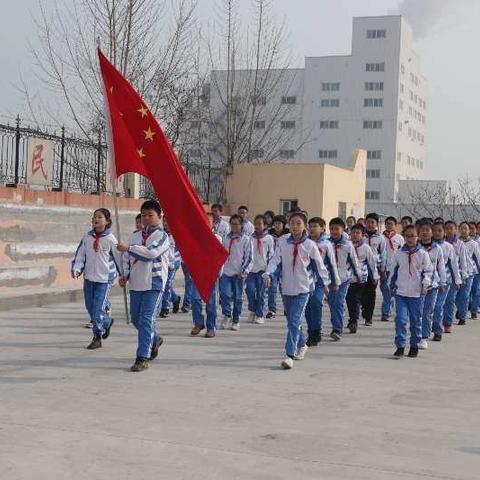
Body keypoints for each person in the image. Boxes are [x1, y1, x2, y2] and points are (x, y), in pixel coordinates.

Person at [263, 212, 330, 369]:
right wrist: (268, 274)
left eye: (298, 223)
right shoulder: (282, 242)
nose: (295, 226)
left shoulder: (310, 245)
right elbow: (275, 260)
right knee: (292, 322)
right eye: (292, 223)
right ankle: (302, 344)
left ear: (304, 226)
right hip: (286, 288)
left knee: (294, 322)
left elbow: (320, 267)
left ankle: (289, 355)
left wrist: (325, 284)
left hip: (303, 289)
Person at [117, 200, 170, 372]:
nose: (146, 218)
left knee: (147, 320)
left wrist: (129, 248)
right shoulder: (135, 236)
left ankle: (142, 357)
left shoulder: (162, 236)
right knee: (136, 319)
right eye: (144, 215)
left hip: (154, 283)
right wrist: (124, 274)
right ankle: (155, 339)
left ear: (159, 216)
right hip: (137, 283)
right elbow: (126, 258)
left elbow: (151, 253)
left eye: (150, 215)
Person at [71, 208, 119, 349]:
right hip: (89, 278)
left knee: (97, 310)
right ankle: (107, 322)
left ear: (107, 221)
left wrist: (124, 274)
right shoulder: (87, 237)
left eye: (99, 217)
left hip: (104, 280)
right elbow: (80, 255)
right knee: (90, 307)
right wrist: (77, 268)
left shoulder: (110, 239)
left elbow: (118, 258)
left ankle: (97, 337)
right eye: (94, 217)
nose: (96, 219)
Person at [390, 225, 433, 358]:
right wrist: (391, 286)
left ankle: (414, 345)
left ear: (418, 237)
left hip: (416, 293)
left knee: (415, 321)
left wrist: (425, 284)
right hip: (401, 293)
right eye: (407, 236)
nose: (410, 239)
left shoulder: (422, 254)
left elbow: (428, 271)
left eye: (412, 236)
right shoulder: (398, 253)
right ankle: (400, 346)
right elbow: (392, 272)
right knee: (401, 320)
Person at [305, 217, 340, 345]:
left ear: (322, 228)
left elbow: (332, 264)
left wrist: (336, 281)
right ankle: (311, 330)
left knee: (316, 303)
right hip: (306, 279)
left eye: (315, 226)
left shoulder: (326, 244)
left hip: (320, 279)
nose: (312, 228)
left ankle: (316, 331)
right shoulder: (305, 242)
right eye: (311, 226)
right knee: (307, 306)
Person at [328, 217, 362, 340]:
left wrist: (358, 275)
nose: (334, 231)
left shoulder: (347, 244)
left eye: (337, 229)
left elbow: (354, 261)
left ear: (343, 230)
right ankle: (336, 323)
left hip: (344, 278)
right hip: (330, 279)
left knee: (338, 302)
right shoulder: (327, 243)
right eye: (331, 229)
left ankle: (337, 329)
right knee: (332, 303)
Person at [190, 213, 223, 338]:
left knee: (211, 303)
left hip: (211, 275)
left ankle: (211, 327)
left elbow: (220, 258)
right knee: (195, 299)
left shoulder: (217, 238)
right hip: (198, 274)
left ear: (214, 223)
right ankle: (198, 323)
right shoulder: (196, 238)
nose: (205, 223)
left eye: (208, 221)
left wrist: (218, 272)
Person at [219, 214, 253, 330]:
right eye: (232, 223)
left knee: (238, 298)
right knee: (224, 294)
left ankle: (236, 320)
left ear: (241, 225)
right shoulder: (225, 238)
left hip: (239, 273)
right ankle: (227, 314)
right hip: (226, 272)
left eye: (236, 224)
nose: (234, 226)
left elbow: (249, 257)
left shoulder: (246, 239)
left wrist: (243, 270)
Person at [418, 221, 446, 349]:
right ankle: (416, 334)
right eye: (422, 230)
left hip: (433, 286)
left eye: (427, 230)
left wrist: (442, 282)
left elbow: (441, 267)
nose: (425, 232)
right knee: (417, 312)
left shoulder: (437, 249)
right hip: (416, 286)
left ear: (432, 232)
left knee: (428, 311)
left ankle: (424, 337)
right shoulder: (415, 248)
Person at [346, 224, 378, 333]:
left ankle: (354, 321)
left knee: (357, 300)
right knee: (350, 301)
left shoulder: (366, 248)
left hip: (362, 278)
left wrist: (375, 276)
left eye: (357, 233)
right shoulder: (346, 246)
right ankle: (353, 319)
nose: (355, 235)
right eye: (353, 232)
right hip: (348, 278)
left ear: (362, 235)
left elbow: (372, 263)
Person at [432, 221, 462, 339]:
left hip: (445, 280)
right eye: (435, 230)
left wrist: (457, 280)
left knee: (440, 305)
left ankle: (440, 329)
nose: (437, 233)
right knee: (431, 306)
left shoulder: (448, 247)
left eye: (440, 230)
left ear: (443, 232)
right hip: (429, 280)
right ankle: (432, 324)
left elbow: (454, 264)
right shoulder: (427, 246)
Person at [246, 215, 275, 325]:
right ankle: (252, 309)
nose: (257, 226)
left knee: (261, 293)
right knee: (249, 290)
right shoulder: (250, 237)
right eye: (256, 223)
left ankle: (259, 314)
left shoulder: (269, 238)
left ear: (265, 225)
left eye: (260, 224)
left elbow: (271, 255)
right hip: (251, 270)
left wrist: (269, 272)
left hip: (263, 270)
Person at [362, 213, 387, 326]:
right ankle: (363, 308)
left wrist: (382, 270)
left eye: (373, 222)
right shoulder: (360, 235)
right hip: (361, 267)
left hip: (374, 268)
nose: (370, 224)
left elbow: (383, 254)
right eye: (368, 222)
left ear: (377, 224)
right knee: (361, 292)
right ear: (365, 222)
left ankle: (369, 317)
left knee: (371, 292)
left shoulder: (380, 238)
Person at [444, 221, 468, 331]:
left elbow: (463, 261)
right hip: (441, 276)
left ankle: (448, 323)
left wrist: (463, 276)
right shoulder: (440, 243)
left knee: (450, 300)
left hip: (454, 276)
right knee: (439, 302)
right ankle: (438, 321)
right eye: (447, 228)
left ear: (455, 230)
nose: (449, 230)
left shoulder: (460, 244)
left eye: (451, 228)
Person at [381, 216, 405, 322]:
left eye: (391, 224)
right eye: (387, 223)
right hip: (383, 268)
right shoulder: (381, 237)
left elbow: (403, 252)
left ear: (395, 226)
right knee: (385, 290)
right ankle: (389, 306)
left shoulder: (399, 238)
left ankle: (385, 312)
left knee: (392, 290)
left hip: (395, 268)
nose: (389, 225)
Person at [457, 221, 480, 325]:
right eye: (461, 228)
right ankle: (461, 308)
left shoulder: (474, 244)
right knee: (456, 296)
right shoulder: (456, 242)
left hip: (470, 272)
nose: (463, 230)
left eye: (465, 228)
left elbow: (478, 258)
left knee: (465, 295)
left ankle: (463, 316)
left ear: (469, 230)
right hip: (457, 272)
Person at [266, 215, 289, 318]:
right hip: (273, 264)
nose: (277, 225)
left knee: (284, 287)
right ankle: (272, 309)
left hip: (285, 264)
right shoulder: (269, 234)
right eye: (275, 223)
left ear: (283, 225)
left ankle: (287, 308)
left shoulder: (288, 235)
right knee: (272, 287)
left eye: (279, 223)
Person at [159, 219, 181, 318]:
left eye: (168, 221)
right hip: (163, 262)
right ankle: (175, 299)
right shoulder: (160, 233)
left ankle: (165, 308)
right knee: (164, 284)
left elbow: (173, 252)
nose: (165, 223)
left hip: (173, 263)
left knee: (167, 284)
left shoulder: (176, 234)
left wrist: (171, 264)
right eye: (164, 221)